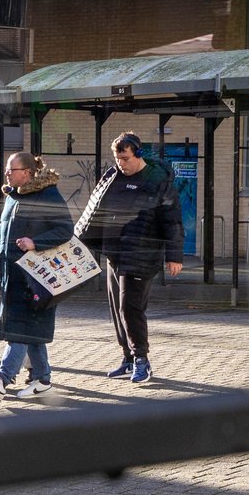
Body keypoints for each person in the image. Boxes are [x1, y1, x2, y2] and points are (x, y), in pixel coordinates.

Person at [93, 133, 185, 384]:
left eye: (125, 158)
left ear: (138, 154)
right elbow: (95, 209)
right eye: (117, 158)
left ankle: (142, 360)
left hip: (142, 253)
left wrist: (174, 255)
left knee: (130, 308)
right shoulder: (113, 176)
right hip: (115, 253)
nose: (121, 163)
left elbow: (172, 218)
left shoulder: (157, 181)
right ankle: (128, 358)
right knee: (116, 309)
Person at [0, 152, 71, 400]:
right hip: (12, 276)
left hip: (35, 279)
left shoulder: (48, 194)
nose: (7, 173)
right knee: (31, 332)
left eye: (12, 169)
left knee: (19, 331)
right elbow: (2, 237)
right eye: (7, 170)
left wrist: (35, 242)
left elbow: (65, 230)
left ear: (29, 173)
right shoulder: (13, 196)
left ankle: (2, 380)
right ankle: (42, 380)